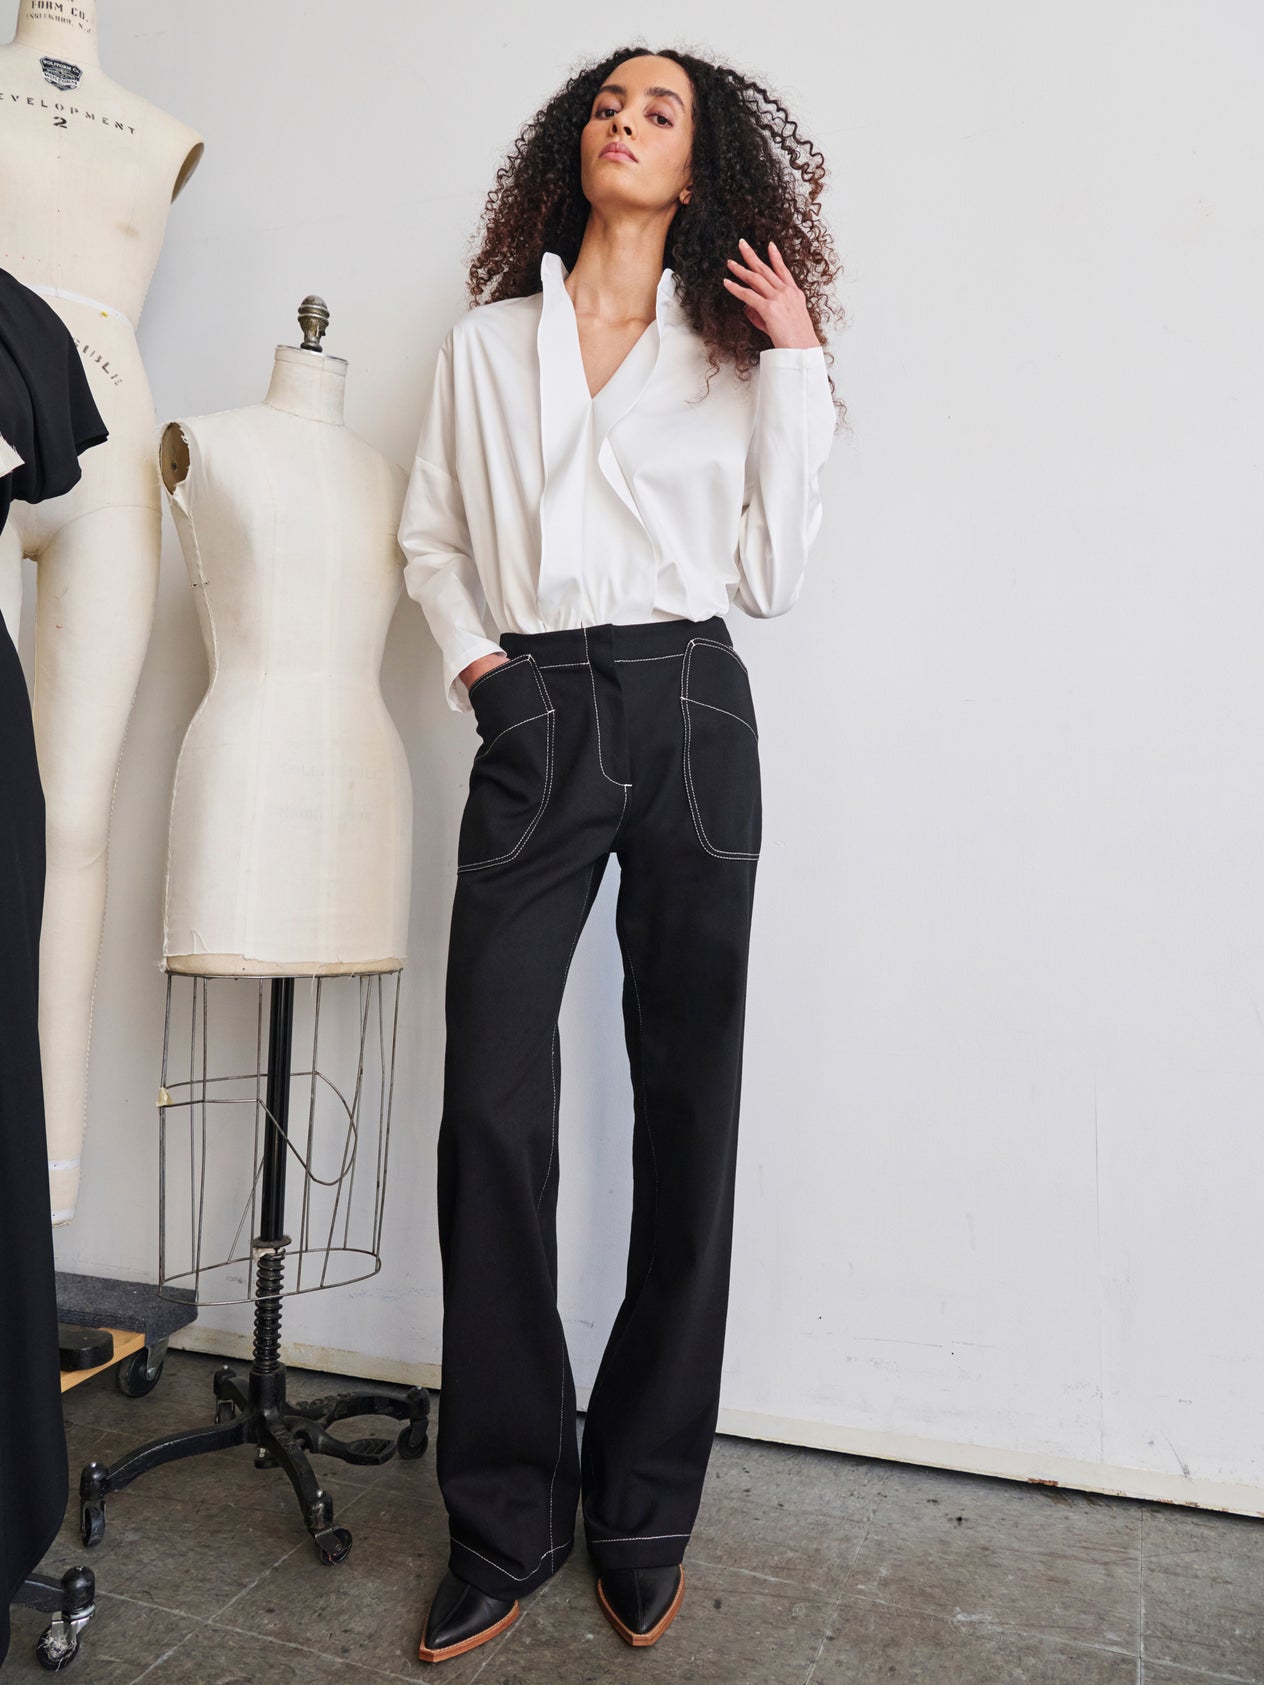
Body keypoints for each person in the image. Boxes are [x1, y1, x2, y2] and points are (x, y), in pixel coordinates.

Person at [398, 43, 842, 1663]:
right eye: (606, 103)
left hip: (690, 708)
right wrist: (486, 678)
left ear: (701, 161)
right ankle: (504, 1512)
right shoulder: (485, 344)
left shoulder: (732, 354)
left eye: (659, 111)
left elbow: (773, 576)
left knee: (689, 1104)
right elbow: (433, 540)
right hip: (536, 711)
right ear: (568, 145)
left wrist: (797, 362)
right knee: (490, 1106)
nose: (624, 122)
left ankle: (644, 1507)